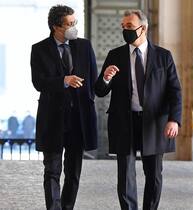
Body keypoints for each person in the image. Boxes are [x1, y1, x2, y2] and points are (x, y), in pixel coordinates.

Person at [94, 10, 182, 210]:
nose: (126, 30)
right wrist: (106, 78)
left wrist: (174, 119)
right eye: (123, 27)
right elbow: (99, 90)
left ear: (144, 28)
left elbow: (175, 91)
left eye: (130, 26)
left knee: (154, 174)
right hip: (124, 122)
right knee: (125, 174)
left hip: (154, 123)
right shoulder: (114, 55)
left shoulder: (163, 56)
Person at [30, 5, 98, 210]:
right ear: (55, 27)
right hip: (52, 119)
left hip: (78, 120)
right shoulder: (39, 49)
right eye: (69, 24)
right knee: (52, 170)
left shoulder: (84, 46)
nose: (74, 27)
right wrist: (64, 80)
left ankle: (67, 207)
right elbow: (38, 83)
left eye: (74, 22)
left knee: (73, 171)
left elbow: (93, 81)